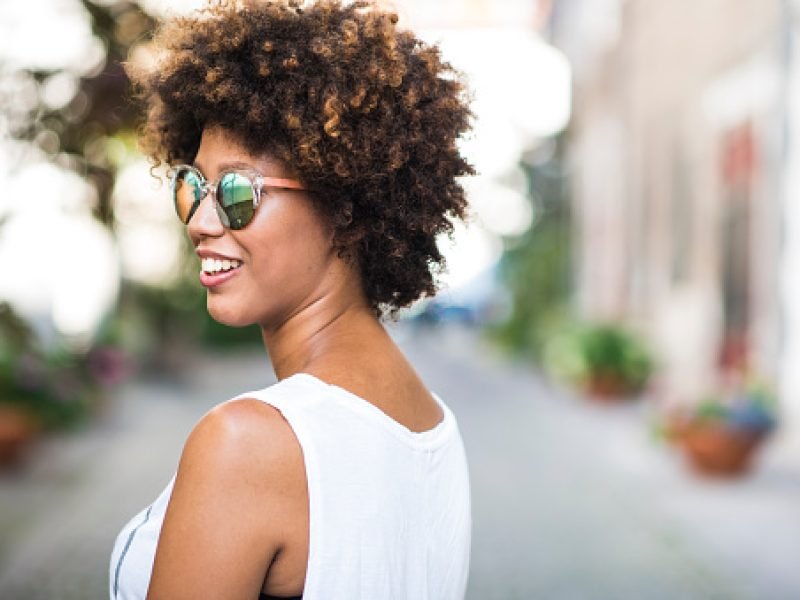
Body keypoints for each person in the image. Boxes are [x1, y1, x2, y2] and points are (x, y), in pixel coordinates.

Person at [109, 0, 474, 598]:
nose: (200, 220)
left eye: (236, 190)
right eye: (194, 185)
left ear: (345, 205)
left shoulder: (247, 443)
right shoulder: (432, 424)